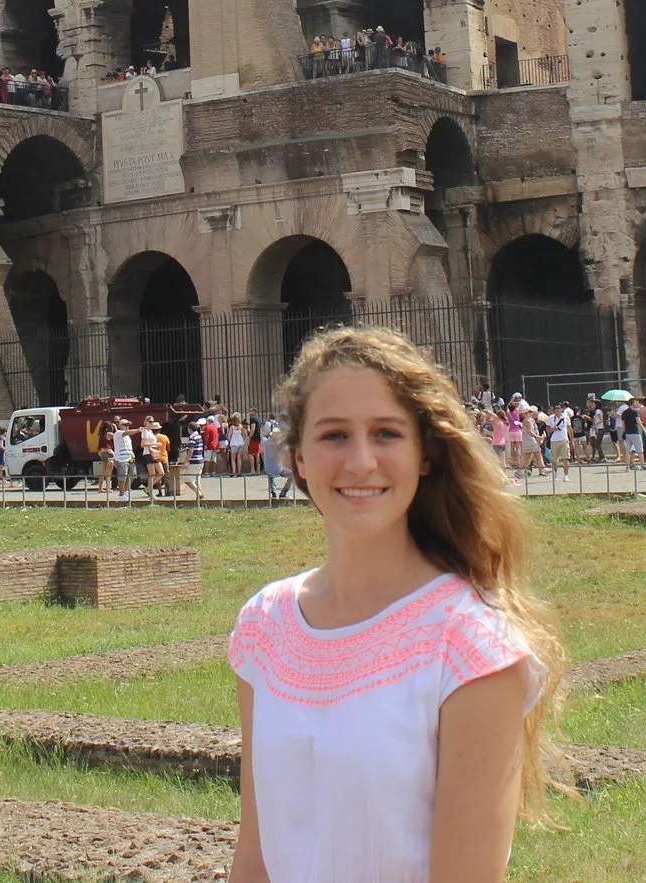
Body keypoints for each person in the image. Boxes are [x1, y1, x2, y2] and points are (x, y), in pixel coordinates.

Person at [228, 326, 565, 883]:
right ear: (300, 459)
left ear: (426, 455)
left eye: (386, 433)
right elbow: (255, 856)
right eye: (334, 435)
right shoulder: (266, 624)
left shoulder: (471, 644)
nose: (361, 462)